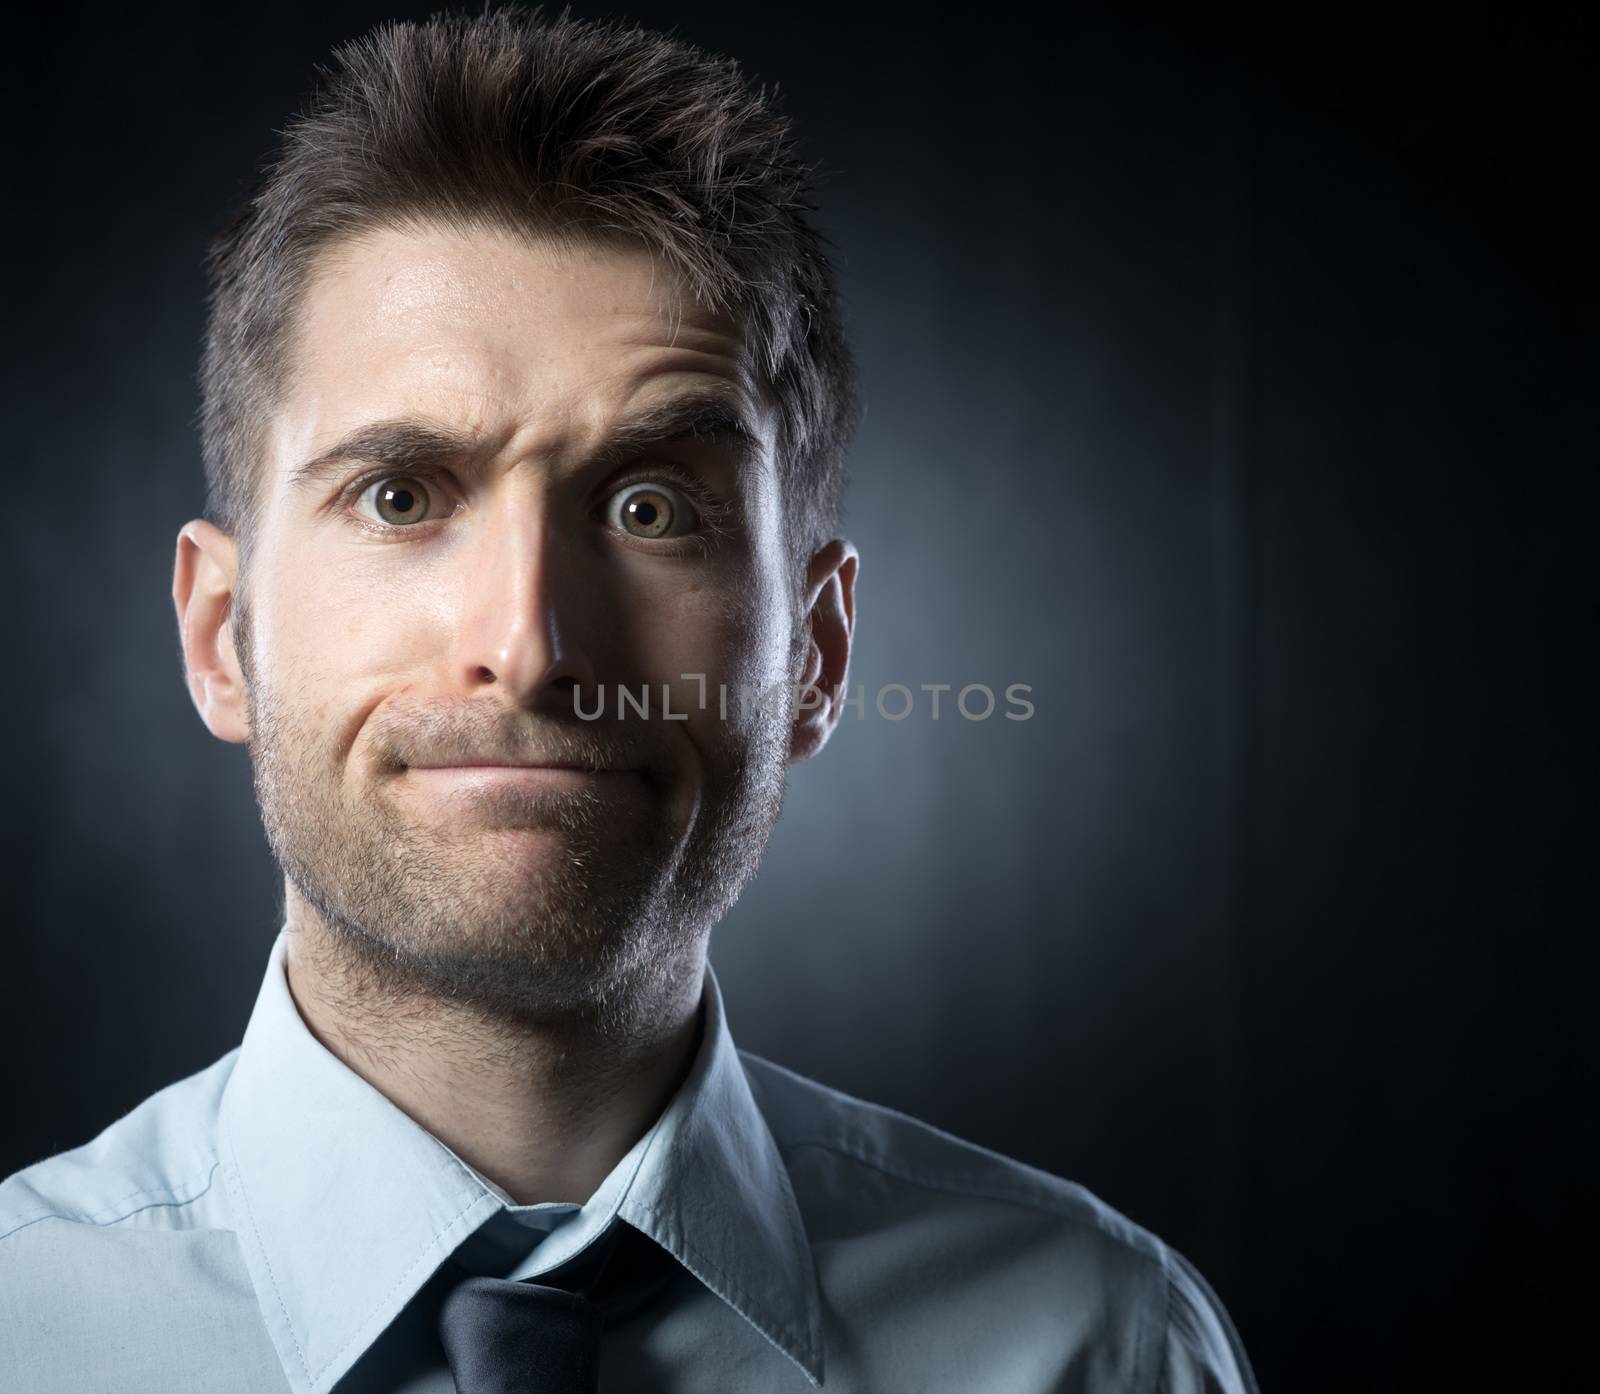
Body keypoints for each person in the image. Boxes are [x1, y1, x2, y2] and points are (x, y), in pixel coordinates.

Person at [0, 9, 1258, 1392]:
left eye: (653, 505)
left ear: (819, 655)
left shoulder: (1103, 1346)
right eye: (402, 495)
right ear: (220, 633)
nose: (531, 646)